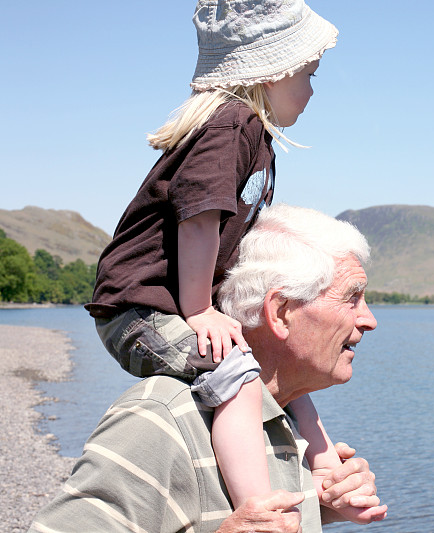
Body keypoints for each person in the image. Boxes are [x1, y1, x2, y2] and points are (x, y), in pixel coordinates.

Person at [84, 0, 345, 512]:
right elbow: (199, 219)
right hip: (139, 311)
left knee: (272, 358)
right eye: (310, 74)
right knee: (236, 375)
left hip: (168, 305)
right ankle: (259, 506)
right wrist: (201, 309)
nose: (314, 89)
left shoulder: (252, 134)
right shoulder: (231, 127)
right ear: (272, 73)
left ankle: (326, 462)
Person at [30, 204, 387, 533]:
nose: (369, 320)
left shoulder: (286, 417)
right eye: (351, 297)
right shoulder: (162, 417)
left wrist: (320, 503)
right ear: (279, 312)